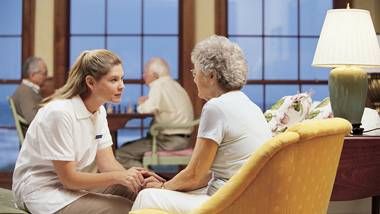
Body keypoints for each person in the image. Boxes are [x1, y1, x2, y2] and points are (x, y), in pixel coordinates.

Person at [131, 35, 272, 214]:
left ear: (211, 76)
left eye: (195, 72)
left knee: (147, 196)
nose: (194, 78)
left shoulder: (216, 107)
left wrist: (163, 187)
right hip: (247, 197)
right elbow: (203, 174)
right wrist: (168, 186)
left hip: (228, 201)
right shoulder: (250, 105)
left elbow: (195, 175)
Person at [12, 49, 164, 214]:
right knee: (125, 208)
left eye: (122, 78)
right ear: (91, 82)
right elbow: (69, 179)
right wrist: (120, 177)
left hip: (71, 186)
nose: (122, 85)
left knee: (144, 195)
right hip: (42, 191)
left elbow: (107, 164)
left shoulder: (99, 111)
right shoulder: (59, 113)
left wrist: (137, 179)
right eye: (114, 80)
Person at [116, 57, 194, 169]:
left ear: (155, 75)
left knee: (121, 154)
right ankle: (151, 178)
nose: (143, 77)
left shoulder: (158, 85)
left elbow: (146, 109)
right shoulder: (175, 85)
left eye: (145, 73)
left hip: (168, 141)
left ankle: (149, 180)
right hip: (182, 139)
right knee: (127, 147)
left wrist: (141, 103)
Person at [12, 56, 48, 124]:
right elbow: (32, 118)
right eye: (44, 73)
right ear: (32, 74)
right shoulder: (25, 92)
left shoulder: (28, 90)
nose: (46, 77)